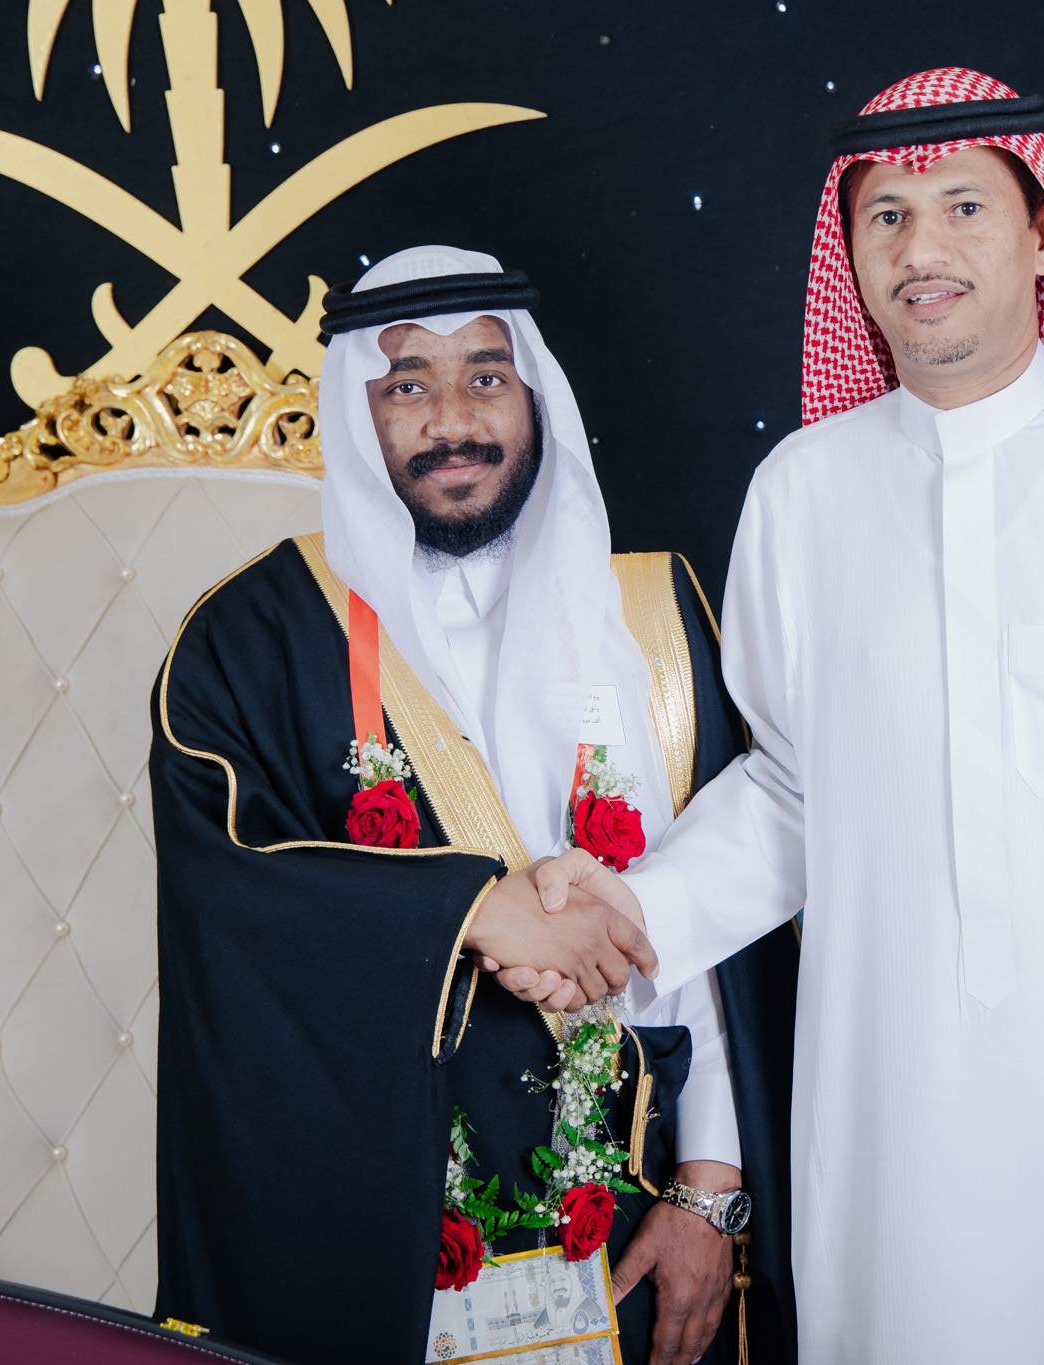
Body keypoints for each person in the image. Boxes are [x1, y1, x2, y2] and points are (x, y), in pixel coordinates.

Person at [503, 69, 1044, 1362]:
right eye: (886, 216)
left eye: (964, 206)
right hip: (906, 1144)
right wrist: (628, 915)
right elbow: (796, 791)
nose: (921, 248)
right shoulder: (802, 494)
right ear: (850, 258)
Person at [150, 245, 798, 1365]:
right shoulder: (252, 641)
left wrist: (709, 1188)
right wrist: (472, 909)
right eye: (407, 384)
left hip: (638, 1221)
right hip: (382, 1240)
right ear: (358, 414)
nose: (451, 420)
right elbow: (227, 895)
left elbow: (721, 940)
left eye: (485, 377)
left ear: (535, 395)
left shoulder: (654, 617)